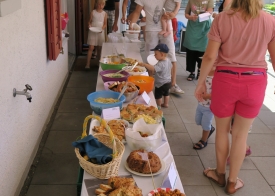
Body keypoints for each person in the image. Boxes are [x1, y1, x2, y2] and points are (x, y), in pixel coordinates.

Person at [194, 0, 275, 194]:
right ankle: (232, 182)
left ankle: (219, 174)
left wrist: (201, 82)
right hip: (255, 82)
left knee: (222, 131)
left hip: (225, 81)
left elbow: (210, 56)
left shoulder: (222, 18)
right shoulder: (269, 21)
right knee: (241, 135)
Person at [127, 0, 184, 94]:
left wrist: (174, 13)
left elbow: (177, 3)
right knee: (150, 57)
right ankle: (150, 84)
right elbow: (137, 11)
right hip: (151, 30)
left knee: (171, 56)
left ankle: (173, 85)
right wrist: (132, 25)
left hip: (167, 28)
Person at [183, 0, 213, 81]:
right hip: (193, 26)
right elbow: (186, 14)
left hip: (204, 27)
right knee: (190, 50)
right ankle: (191, 72)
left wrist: (208, 12)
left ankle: (201, 71)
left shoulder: (209, 0)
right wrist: (190, 17)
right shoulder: (191, 1)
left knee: (202, 51)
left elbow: (210, 11)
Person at [139, 44, 172, 108]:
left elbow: (153, 69)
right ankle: (166, 104)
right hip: (168, 81)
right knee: (166, 93)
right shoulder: (168, 60)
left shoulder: (161, 64)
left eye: (156, 54)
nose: (154, 55)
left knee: (158, 96)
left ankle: (158, 106)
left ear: (162, 54)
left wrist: (144, 64)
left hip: (160, 83)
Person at [193, 67, 215, 150]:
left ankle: (203, 140)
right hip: (200, 104)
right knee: (198, 121)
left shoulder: (217, 77)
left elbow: (220, 93)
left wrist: (208, 96)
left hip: (209, 108)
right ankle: (210, 128)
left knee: (205, 125)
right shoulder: (204, 73)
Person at [85, 0, 107, 69]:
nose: (100, 6)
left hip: (100, 31)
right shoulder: (93, 12)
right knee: (91, 47)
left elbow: (105, 24)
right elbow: (89, 21)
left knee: (99, 48)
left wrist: (102, 29)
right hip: (93, 30)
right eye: (99, 5)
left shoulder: (104, 13)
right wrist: (89, 25)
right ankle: (87, 64)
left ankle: (99, 63)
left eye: (102, 5)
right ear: (96, 4)